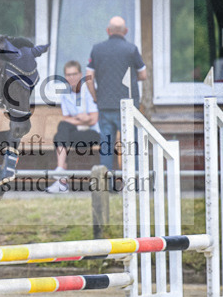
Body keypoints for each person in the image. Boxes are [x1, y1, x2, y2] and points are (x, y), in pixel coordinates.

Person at [85, 16, 147, 186]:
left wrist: (95, 96)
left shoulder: (97, 50)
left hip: (105, 106)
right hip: (128, 108)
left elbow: (88, 77)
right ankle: (132, 184)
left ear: (108, 31)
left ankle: (107, 185)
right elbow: (143, 74)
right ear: (125, 31)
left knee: (106, 147)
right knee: (130, 147)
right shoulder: (131, 49)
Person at [45, 60, 100, 193]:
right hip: (75, 134)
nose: (72, 77)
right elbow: (66, 119)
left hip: (93, 135)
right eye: (68, 75)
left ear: (80, 74)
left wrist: (78, 120)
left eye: (74, 74)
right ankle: (61, 172)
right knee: (61, 132)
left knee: (60, 136)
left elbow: (93, 120)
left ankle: (61, 181)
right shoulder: (65, 93)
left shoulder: (88, 90)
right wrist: (81, 119)